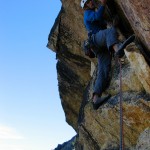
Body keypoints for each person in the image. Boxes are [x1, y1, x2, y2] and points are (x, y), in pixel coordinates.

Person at [81, 0, 135, 110]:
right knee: (110, 32)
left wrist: (113, 25)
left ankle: (96, 99)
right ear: (86, 5)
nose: (91, 2)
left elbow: (100, 23)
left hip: (98, 46)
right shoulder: (87, 13)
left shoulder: (90, 14)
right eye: (89, 1)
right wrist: (104, 4)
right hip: (95, 40)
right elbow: (97, 16)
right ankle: (117, 49)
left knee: (103, 69)